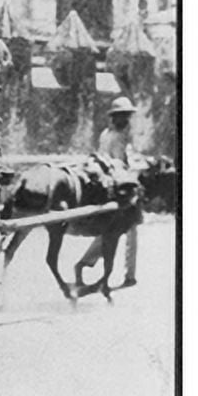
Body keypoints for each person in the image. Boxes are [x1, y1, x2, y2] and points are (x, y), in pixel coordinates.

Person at [79, 96, 145, 288]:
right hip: (120, 184)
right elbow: (120, 163)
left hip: (106, 182)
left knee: (111, 228)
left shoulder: (105, 134)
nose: (125, 119)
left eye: (126, 116)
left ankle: (87, 261)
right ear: (117, 117)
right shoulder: (119, 137)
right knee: (130, 229)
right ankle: (129, 275)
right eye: (123, 116)